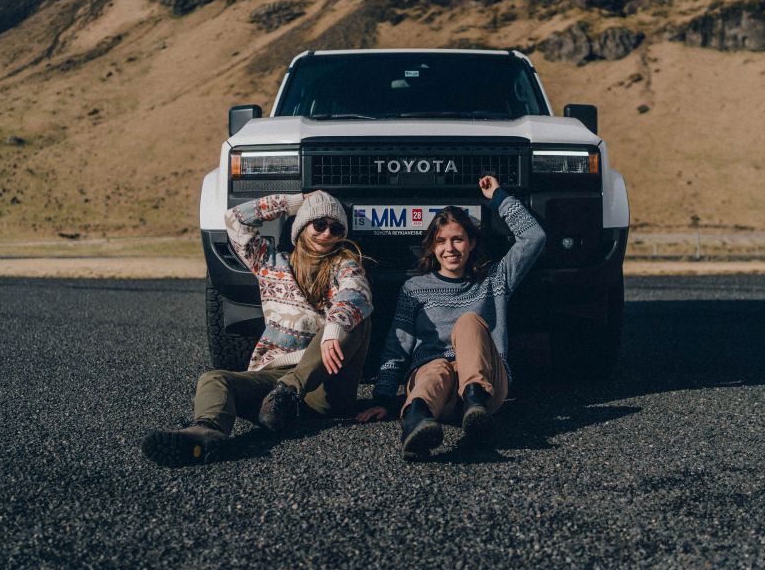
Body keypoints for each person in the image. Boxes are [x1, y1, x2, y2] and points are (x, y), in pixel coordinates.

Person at [142, 190, 373, 467]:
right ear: (301, 225)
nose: (326, 234)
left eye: (335, 229)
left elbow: (355, 294)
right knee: (214, 379)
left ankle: (289, 393)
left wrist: (334, 328)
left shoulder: (344, 266)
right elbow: (235, 220)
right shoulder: (271, 264)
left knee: (356, 317)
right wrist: (296, 202)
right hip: (273, 383)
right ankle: (206, 433)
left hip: (323, 387)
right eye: (319, 224)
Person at [356, 175, 546, 459]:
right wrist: (383, 397)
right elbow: (397, 346)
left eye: (458, 239)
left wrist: (498, 197)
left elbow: (534, 237)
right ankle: (416, 421)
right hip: (437, 391)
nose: (450, 248)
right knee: (437, 369)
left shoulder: (495, 280)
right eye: (442, 241)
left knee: (468, 322)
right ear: (433, 248)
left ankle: (473, 401)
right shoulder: (414, 289)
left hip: (487, 390)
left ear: (471, 243)